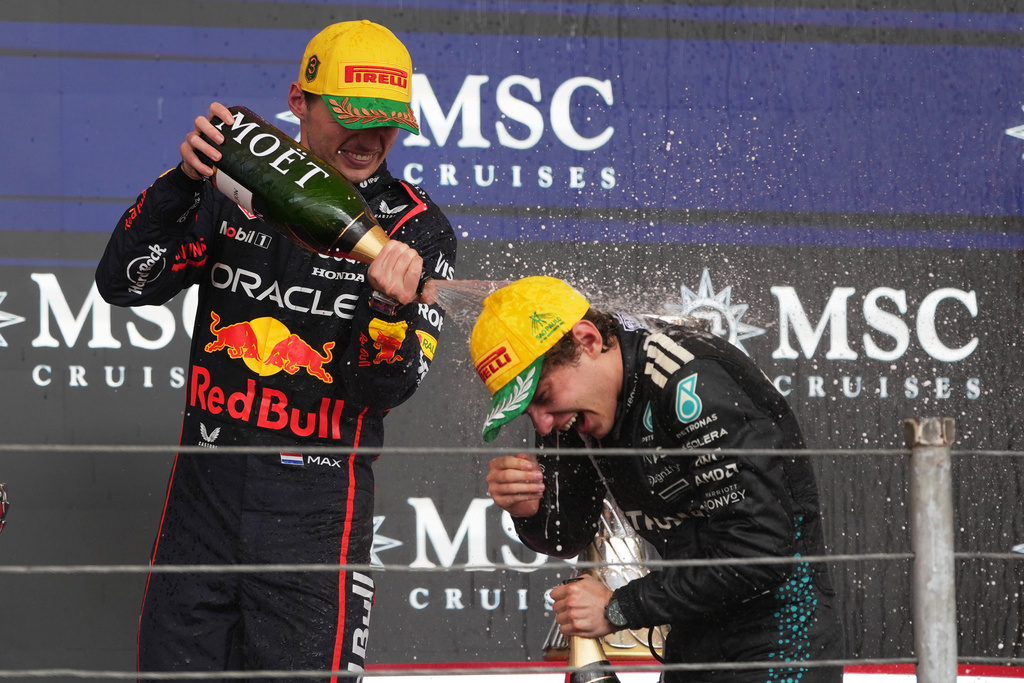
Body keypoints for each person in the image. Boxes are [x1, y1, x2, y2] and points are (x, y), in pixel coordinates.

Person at [95, 20, 456, 677]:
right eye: (351, 116)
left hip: (314, 525)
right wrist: (180, 182)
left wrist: (385, 308)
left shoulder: (412, 229)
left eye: (388, 121)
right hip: (200, 514)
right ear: (300, 102)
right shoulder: (231, 185)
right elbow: (123, 282)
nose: (371, 138)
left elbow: (384, 392)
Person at [471, 276, 843, 683]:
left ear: (588, 340)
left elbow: (760, 551)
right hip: (692, 641)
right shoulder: (578, 407)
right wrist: (527, 509)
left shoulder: (690, 378)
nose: (543, 424)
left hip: (780, 642)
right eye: (526, 412)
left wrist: (618, 608)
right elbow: (565, 537)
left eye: (542, 398)